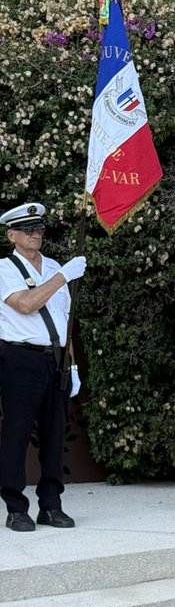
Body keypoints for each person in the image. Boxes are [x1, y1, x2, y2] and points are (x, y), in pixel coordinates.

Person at [0, 202, 86, 531]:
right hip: (20, 358)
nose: (35, 234)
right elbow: (25, 304)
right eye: (27, 230)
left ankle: (51, 505)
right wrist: (62, 276)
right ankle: (15, 507)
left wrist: (73, 364)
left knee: (53, 435)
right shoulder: (5, 269)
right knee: (17, 434)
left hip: (56, 358)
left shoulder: (52, 266)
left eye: (39, 229)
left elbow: (66, 321)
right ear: (12, 235)